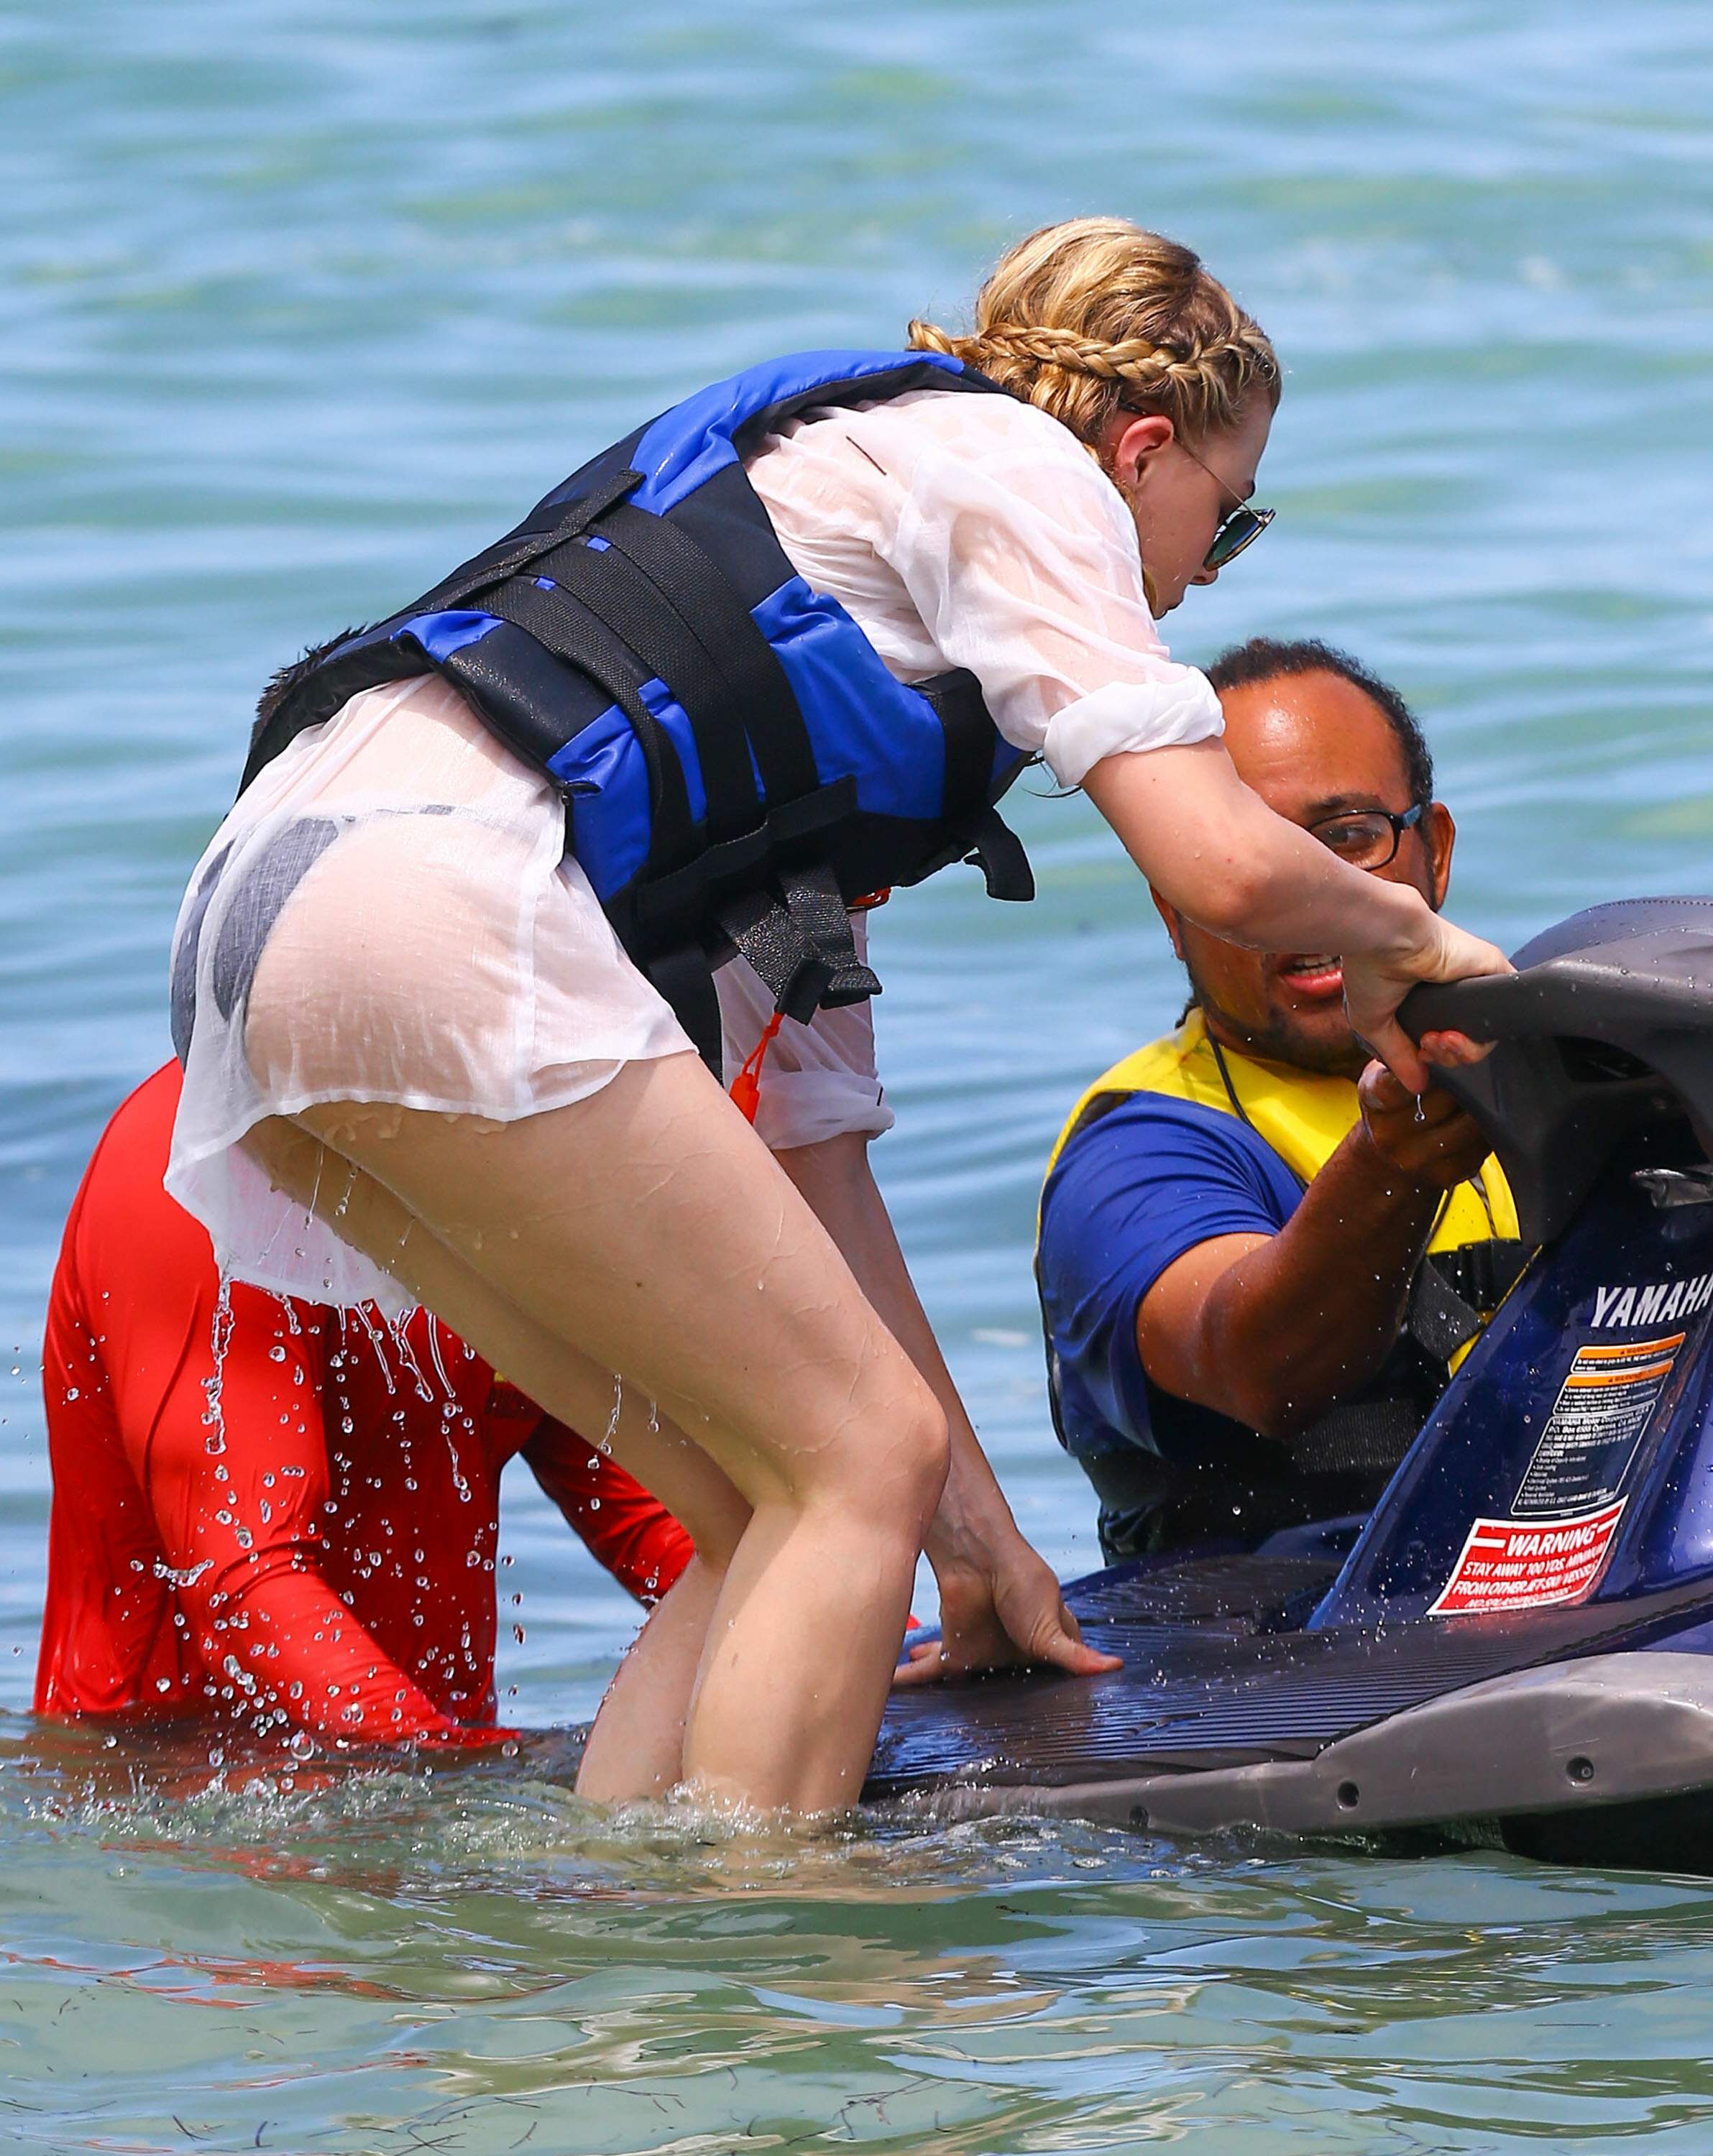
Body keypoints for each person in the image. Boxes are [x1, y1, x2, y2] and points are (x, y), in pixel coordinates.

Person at [165, 216, 1510, 1815]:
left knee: (765, 1490)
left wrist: (988, 1543)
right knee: (854, 1464)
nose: (1200, 576)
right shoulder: (1021, 472)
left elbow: (816, 1160)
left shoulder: (854, 576)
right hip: (431, 906)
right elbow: (1221, 860)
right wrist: (1423, 945)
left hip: (266, 932)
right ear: (1144, 451)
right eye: (1225, 520)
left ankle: (629, 1975)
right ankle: (771, 1968)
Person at [1037, 639, 1528, 1562]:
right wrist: (1389, 1166)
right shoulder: (1135, 1152)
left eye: (1348, 838)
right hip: (1290, 1672)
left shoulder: (1558, 1065)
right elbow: (1252, 1362)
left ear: (1437, 855)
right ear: (1174, 904)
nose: (1316, 898)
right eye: (1261, 859)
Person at [36, 1062, 692, 1746]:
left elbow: (665, 1522)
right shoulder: (188, 1160)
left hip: (426, 1787)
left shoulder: (508, 1149)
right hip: (163, 1803)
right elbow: (244, 1586)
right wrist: (486, 1776)